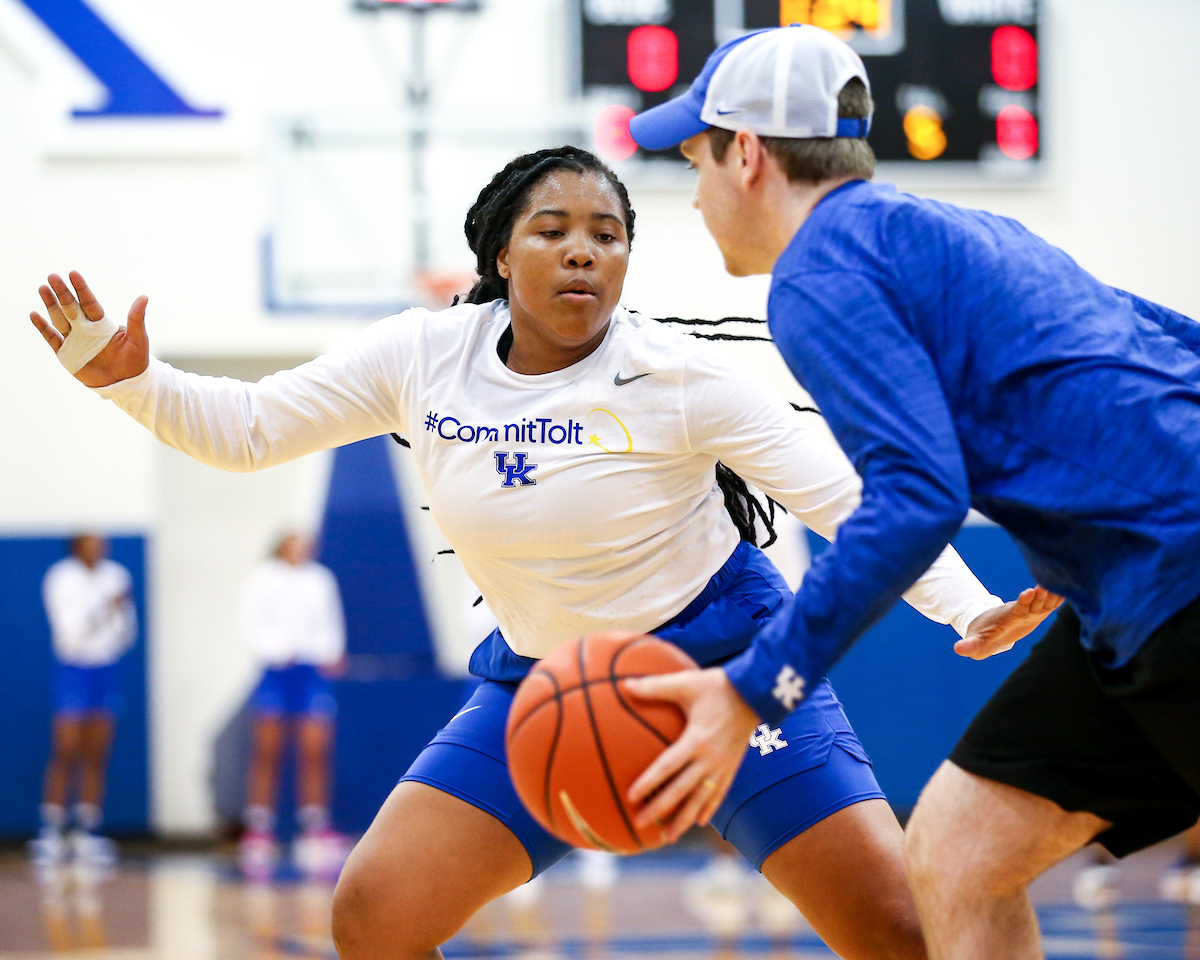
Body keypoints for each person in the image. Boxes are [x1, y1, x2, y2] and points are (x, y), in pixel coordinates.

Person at [29, 146, 1056, 960]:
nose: (583, 252)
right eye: (553, 230)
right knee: (375, 919)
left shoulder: (677, 374)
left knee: (900, 935)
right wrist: (134, 382)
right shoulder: (422, 357)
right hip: (544, 687)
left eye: (607, 235)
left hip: (726, 677)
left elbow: (849, 501)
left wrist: (969, 607)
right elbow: (246, 430)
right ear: (499, 256)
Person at [625, 24, 1200, 960]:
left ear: (747, 153)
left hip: (1176, 581)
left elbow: (915, 497)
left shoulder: (816, 275)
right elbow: (1171, 339)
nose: (693, 195)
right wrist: (1080, 529)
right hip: (1130, 588)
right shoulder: (964, 231)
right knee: (960, 854)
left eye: (694, 160)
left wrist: (753, 688)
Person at [239, 532, 348, 881]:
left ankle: (314, 824)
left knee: (315, 749)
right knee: (267, 749)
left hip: (312, 672)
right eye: (295, 541)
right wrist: (275, 648)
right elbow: (252, 623)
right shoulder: (264, 577)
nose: (303, 546)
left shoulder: (321, 578)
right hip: (276, 671)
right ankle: (259, 826)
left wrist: (331, 651)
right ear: (281, 544)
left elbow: (331, 622)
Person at [32, 534, 135, 868]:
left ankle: (87, 829)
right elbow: (72, 633)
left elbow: (125, 631)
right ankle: (52, 828)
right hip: (73, 668)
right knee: (66, 748)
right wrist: (106, 608)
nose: (98, 548)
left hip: (105, 669)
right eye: (90, 543)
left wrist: (114, 616)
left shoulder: (117, 575)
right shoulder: (61, 577)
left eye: (101, 542)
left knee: (98, 750)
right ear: (77, 547)